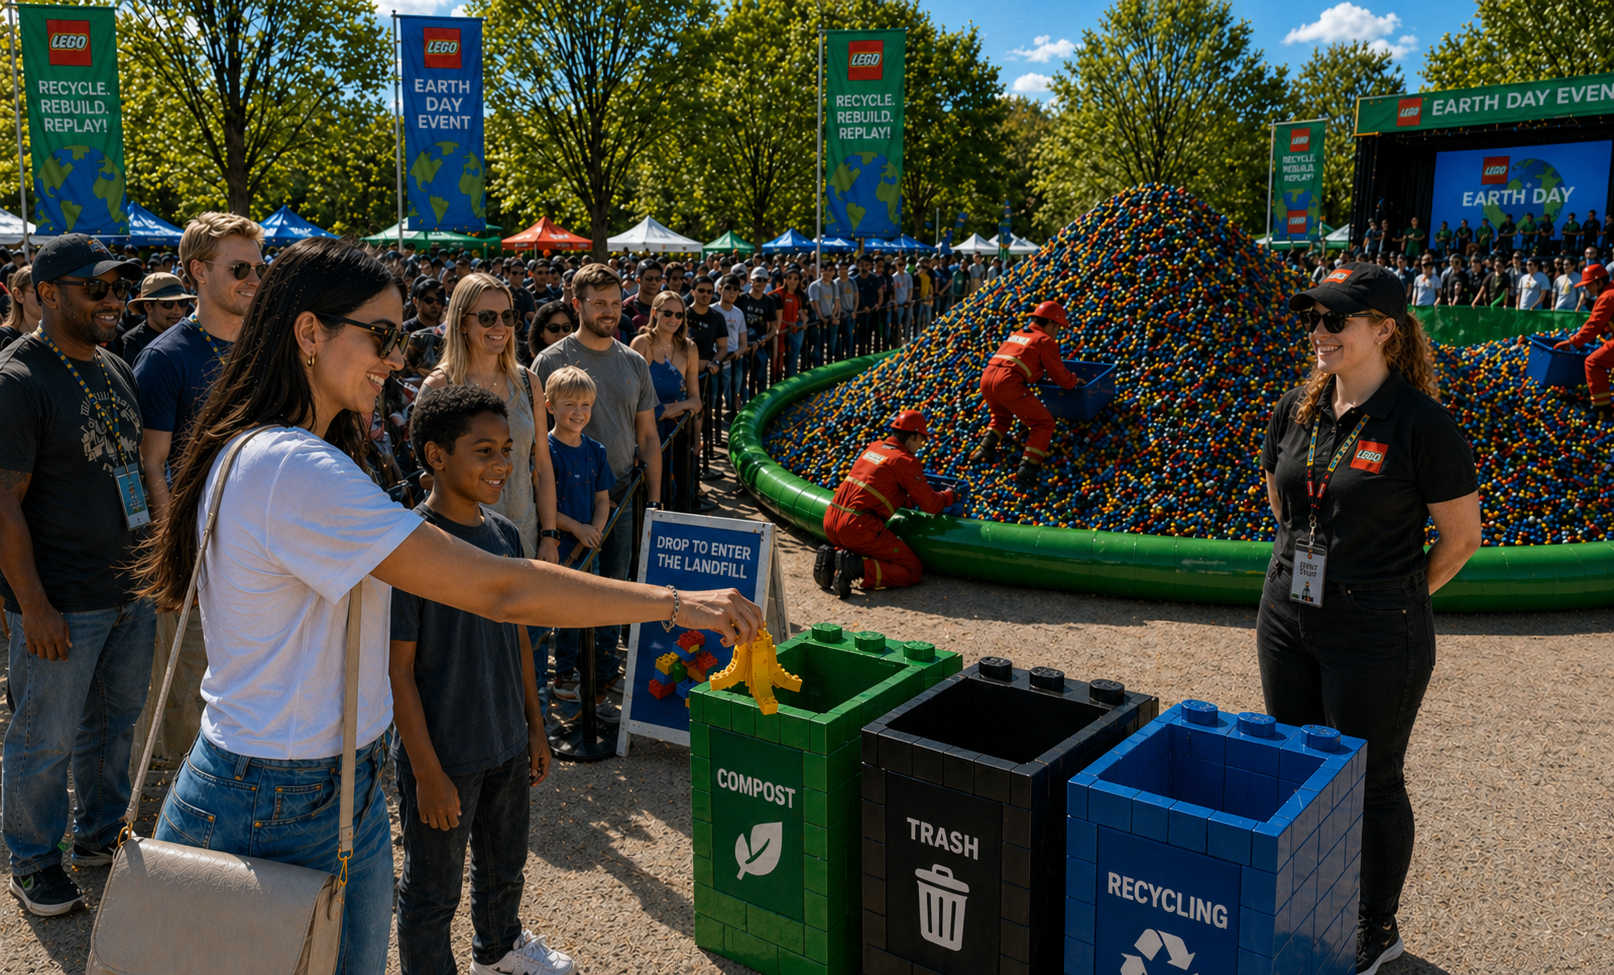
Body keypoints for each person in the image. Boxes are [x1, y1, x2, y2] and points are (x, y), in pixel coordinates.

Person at [135, 237, 760, 974]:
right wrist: (676, 601)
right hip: (278, 793)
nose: (395, 357)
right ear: (309, 333)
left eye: (399, 336)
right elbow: (502, 589)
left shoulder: (273, 451)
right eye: (381, 335)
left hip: (309, 781)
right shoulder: (291, 467)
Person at [1263, 262, 1480, 975]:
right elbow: (1282, 497)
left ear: (1386, 329)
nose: (1319, 332)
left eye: (1336, 319)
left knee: (1371, 780)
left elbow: (1461, 539)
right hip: (1288, 615)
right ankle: (1308, 899)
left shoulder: (1421, 424)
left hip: (1375, 627)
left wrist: (1395, 593)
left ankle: (1374, 927)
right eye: (1314, 318)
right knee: (1296, 763)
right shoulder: (1298, 408)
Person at [389, 385, 571, 975]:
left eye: (507, 449)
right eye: (484, 451)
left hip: (506, 742)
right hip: (445, 755)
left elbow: (519, 639)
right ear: (436, 456)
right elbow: (397, 672)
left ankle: (499, 952)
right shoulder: (407, 546)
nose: (501, 464)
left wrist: (535, 726)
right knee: (431, 892)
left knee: (504, 867)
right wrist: (426, 773)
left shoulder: (504, 534)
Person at [0, 234, 154, 916]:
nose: (114, 299)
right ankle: (33, 860)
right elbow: (2, 503)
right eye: (97, 287)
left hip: (126, 589)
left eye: (119, 286)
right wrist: (33, 604)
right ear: (47, 293)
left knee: (114, 726)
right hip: (61, 599)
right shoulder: (18, 380)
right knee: (45, 735)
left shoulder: (114, 366)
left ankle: (99, 835)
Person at [533, 264, 664, 711]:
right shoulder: (550, 361)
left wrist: (656, 500)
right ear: (577, 304)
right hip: (563, 501)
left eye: (614, 302)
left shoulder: (634, 361)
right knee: (570, 588)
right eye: (598, 303)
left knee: (616, 587)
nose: (609, 311)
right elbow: (534, 441)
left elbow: (648, 436)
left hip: (618, 495)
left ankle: (605, 673)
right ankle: (567, 672)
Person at [422, 272, 560, 564]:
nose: (500, 326)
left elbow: (543, 467)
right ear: (462, 322)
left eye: (507, 316)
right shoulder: (439, 386)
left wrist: (549, 535)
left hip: (524, 537)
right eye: (487, 317)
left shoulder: (530, 383)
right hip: (461, 543)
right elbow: (429, 474)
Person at [542, 366, 619, 725]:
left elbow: (603, 500)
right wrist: (578, 528)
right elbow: (543, 505)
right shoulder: (545, 451)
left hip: (590, 546)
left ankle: (595, 674)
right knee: (565, 615)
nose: (578, 412)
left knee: (591, 610)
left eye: (585, 404)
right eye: (570, 404)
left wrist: (595, 531)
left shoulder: (596, 450)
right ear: (550, 406)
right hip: (560, 547)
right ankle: (564, 675)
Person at [815, 409, 956, 598]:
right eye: (921, 440)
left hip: (831, 519)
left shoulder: (874, 447)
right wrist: (950, 496)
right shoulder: (906, 461)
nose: (921, 446)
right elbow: (931, 505)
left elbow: (882, 485)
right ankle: (854, 567)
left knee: (862, 544)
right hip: (857, 527)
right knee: (912, 570)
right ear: (913, 435)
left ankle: (832, 559)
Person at [966, 300, 1081, 487]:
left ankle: (984, 450)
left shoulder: (1018, 334)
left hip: (987, 379)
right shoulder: (1044, 341)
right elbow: (1060, 376)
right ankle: (1027, 471)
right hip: (1008, 382)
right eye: (1058, 327)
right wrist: (1074, 382)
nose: (1058, 333)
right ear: (1051, 323)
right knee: (1043, 422)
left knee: (1001, 416)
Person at [630, 290, 704, 513]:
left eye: (679, 315)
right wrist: (677, 408)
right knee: (650, 493)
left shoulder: (689, 347)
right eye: (668, 313)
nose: (674, 319)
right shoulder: (642, 343)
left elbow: (696, 400)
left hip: (678, 431)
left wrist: (670, 409)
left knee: (681, 492)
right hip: (646, 431)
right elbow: (632, 397)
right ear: (655, 313)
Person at [1554, 263, 1614, 412]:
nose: (1586, 288)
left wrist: (1573, 342)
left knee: (1593, 362)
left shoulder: (1607, 296)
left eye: (1588, 284)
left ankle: (1602, 409)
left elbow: (1593, 324)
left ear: (1599, 281)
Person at [770, 266, 806, 377]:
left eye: (796, 278)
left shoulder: (798, 296)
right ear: (785, 279)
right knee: (777, 359)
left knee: (793, 358)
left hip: (792, 332)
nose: (793, 281)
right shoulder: (777, 294)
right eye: (789, 277)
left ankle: (791, 378)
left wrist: (805, 321)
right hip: (779, 333)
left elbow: (800, 311)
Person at [807, 262, 839, 371]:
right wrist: (821, 317)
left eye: (831, 270)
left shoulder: (834, 285)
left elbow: (837, 302)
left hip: (829, 320)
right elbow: (814, 303)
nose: (828, 273)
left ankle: (829, 367)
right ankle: (817, 369)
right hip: (817, 321)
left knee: (830, 346)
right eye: (826, 270)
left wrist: (832, 316)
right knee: (817, 346)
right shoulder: (815, 285)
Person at [0, 264, 39, 352]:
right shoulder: (3, 337)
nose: (47, 296)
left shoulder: (60, 336)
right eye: (38, 291)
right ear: (19, 295)